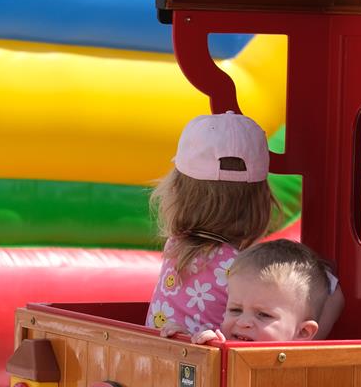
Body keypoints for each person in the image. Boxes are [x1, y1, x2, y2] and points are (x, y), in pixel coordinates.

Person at [146, 112, 342, 337]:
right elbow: (334, 294)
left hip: (157, 354)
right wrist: (303, 343)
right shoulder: (245, 267)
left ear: (177, 192)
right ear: (262, 201)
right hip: (213, 358)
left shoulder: (175, 247)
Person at [184, 239, 331, 343]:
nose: (243, 322)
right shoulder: (221, 345)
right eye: (235, 310)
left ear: (302, 332)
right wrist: (211, 353)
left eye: (263, 315)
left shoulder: (300, 372)